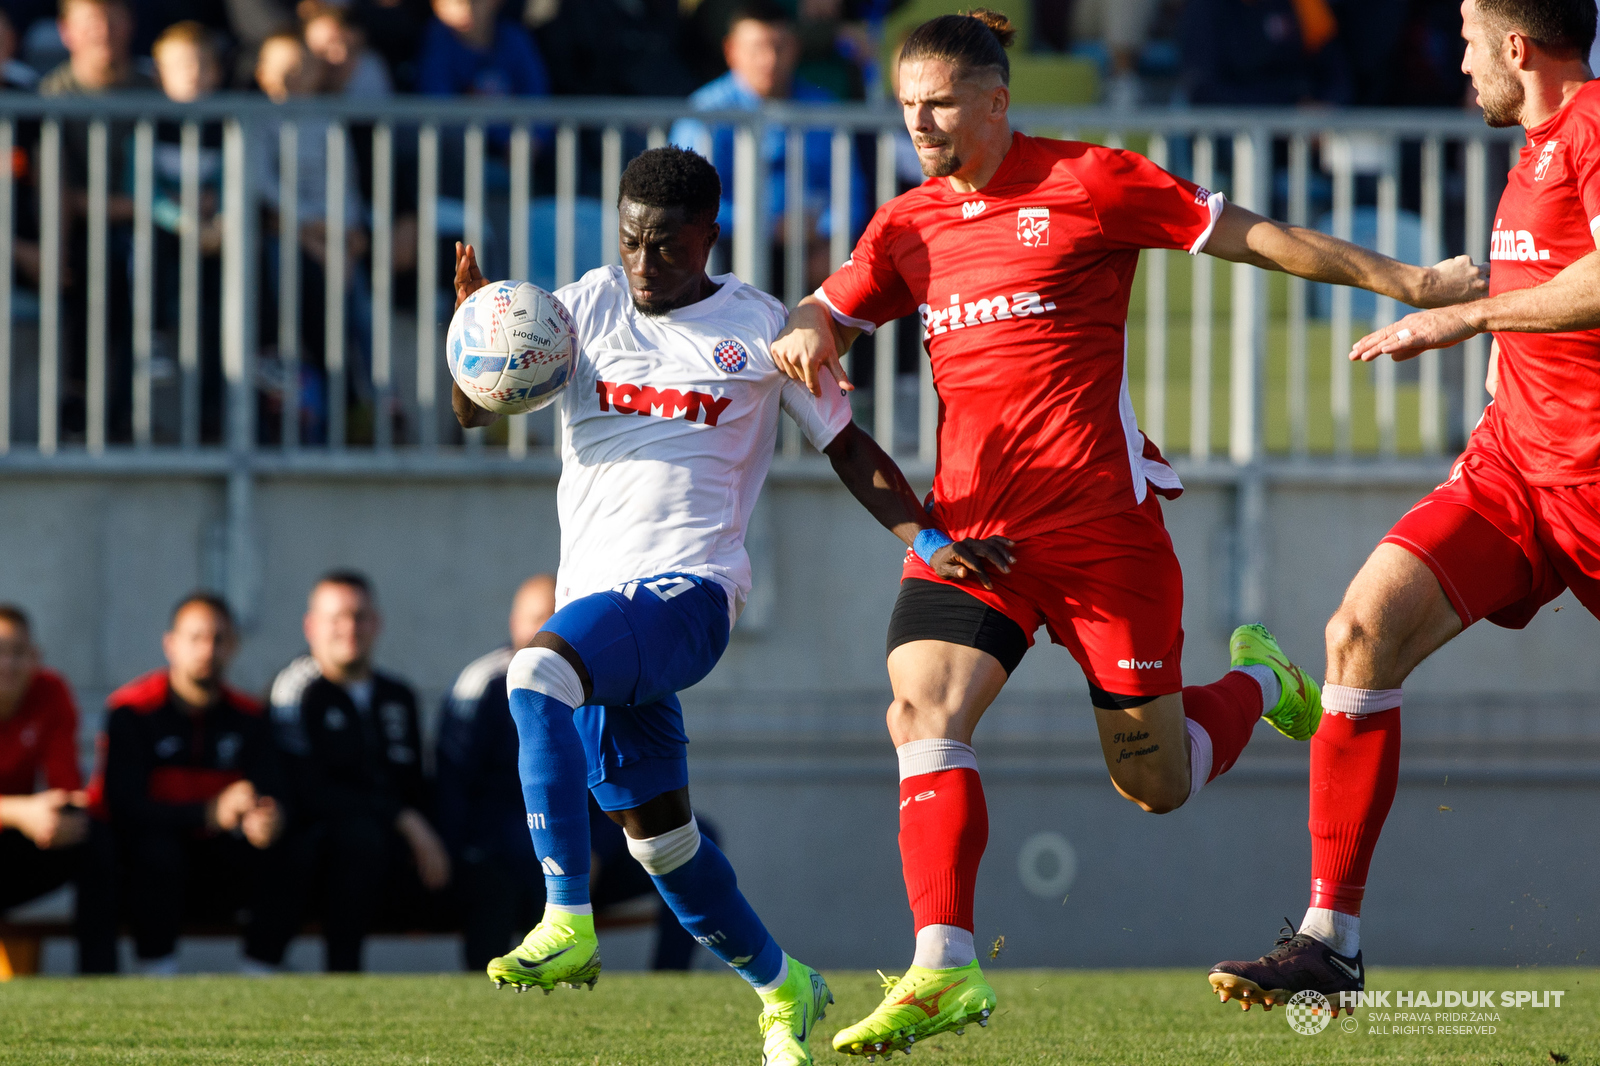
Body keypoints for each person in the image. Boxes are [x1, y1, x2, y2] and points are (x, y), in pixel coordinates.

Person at [768, 10, 1490, 1055]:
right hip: (977, 538)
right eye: (907, 103)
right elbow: (827, 310)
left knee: (1153, 783)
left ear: (996, 100)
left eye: (939, 101)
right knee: (920, 705)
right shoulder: (907, 226)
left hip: (1105, 536)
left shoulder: (1089, 181)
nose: (919, 121)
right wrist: (806, 320)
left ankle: (1260, 687)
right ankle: (942, 965)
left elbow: (1256, 237)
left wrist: (1414, 284)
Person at [448, 144, 986, 1066]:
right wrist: (479, 339)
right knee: (663, 845)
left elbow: (848, 448)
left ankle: (563, 919)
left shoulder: (764, 329)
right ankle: (787, 987)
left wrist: (927, 538)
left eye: (666, 246)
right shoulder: (581, 309)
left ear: (710, 236)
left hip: (689, 595)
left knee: (534, 673)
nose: (644, 265)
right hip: (600, 609)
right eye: (630, 243)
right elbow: (478, 412)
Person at [1209, 0, 1600, 1011]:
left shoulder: (1593, 126)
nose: (1459, 60)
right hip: (1513, 470)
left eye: (1471, 39)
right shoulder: (1526, 152)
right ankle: (1326, 940)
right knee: (1357, 631)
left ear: (1518, 47)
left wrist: (1466, 318)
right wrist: (1499, 363)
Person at [437, 574, 702, 972]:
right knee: (494, 879)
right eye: (537, 618)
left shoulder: (602, 679)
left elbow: (622, 778)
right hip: (513, 849)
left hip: (596, 848)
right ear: (514, 623)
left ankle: (670, 980)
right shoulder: (483, 685)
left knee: (692, 842)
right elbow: (456, 786)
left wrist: (595, 850)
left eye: (558, 617)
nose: (547, 629)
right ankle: (494, 992)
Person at [266, 570, 448, 972]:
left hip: (394, 853)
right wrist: (403, 819)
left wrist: (420, 827)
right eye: (337, 618)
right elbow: (308, 790)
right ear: (311, 626)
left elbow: (412, 783)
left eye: (360, 616)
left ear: (376, 623)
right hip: (321, 851)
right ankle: (327, 973)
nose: (349, 628)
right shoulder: (295, 690)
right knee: (355, 840)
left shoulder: (397, 696)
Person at [94, 593, 284, 975]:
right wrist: (208, 812)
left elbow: (272, 792)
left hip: (220, 870)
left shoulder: (251, 717)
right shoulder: (132, 711)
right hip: (148, 874)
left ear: (234, 646)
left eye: (218, 639)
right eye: (196, 638)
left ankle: (261, 975)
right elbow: (124, 806)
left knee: (293, 847)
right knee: (152, 851)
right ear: (171, 644)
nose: (207, 650)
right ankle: (156, 974)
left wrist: (268, 818)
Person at [669, 0, 867, 289]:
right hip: (727, 253)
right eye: (757, 48)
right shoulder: (704, 113)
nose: (770, 59)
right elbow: (686, 203)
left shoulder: (823, 108)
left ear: (795, 48)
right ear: (731, 50)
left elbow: (851, 194)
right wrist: (766, 225)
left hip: (811, 252)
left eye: (779, 46)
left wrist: (829, 234)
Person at [39, 0, 153, 443]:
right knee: (98, 264)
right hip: (84, 231)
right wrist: (130, 207)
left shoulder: (152, 90)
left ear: (131, 24)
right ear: (67, 31)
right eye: (91, 22)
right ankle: (81, 407)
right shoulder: (52, 95)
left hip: (153, 229)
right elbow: (56, 192)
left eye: (112, 19)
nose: (103, 31)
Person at [252, 31, 369, 443]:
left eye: (299, 68)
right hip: (289, 235)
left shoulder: (328, 122)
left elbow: (346, 184)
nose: (290, 79)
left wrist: (346, 235)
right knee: (290, 277)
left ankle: (363, 398)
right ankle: (301, 398)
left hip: (332, 236)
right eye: (280, 70)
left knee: (358, 307)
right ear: (261, 74)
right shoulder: (257, 120)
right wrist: (314, 234)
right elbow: (263, 184)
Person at [0, 606, 94, 952]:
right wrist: (20, 811)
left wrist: (62, 811)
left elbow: (65, 784)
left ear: (36, 657)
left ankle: (99, 983)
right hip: (16, 821)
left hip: (17, 842)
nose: (7, 664)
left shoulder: (51, 691)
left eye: (18, 653)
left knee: (91, 837)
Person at [415, 0, 547, 98]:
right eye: (458, 2)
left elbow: (537, 103)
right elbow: (438, 108)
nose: (467, 8)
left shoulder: (515, 39)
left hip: (515, 134)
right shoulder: (435, 43)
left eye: (475, 1)